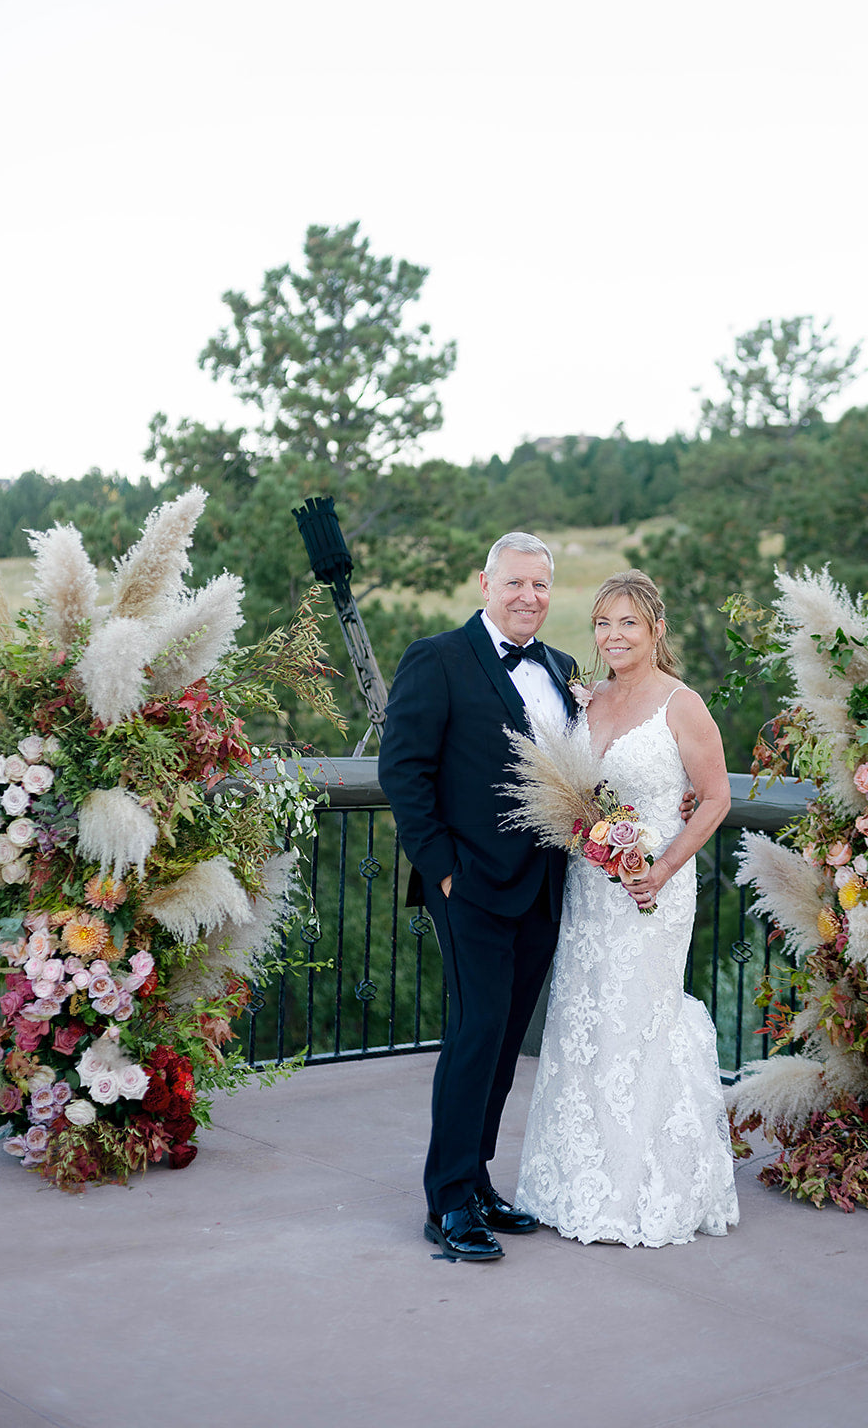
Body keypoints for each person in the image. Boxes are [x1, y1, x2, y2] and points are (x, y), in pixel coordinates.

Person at [515, 569, 740, 1247]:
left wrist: (665, 868)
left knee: (640, 1019)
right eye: (603, 624)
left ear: (656, 630)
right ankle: (571, 1181)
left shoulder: (682, 704)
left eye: (628, 624)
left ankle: (643, 1188)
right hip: (589, 890)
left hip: (656, 892)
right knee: (585, 1019)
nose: (613, 636)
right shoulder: (584, 702)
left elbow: (717, 797)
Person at [379, 532, 580, 1263]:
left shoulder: (562, 669)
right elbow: (402, 771)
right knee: (475, 1035)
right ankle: (448, 1201)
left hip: (545, 887)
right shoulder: (437, 658)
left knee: (503, 1043)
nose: (529, 596)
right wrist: (443, 873)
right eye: (515, 583)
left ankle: (479, 1177)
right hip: (471, 886)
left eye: (541, 585)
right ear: (485, 584)